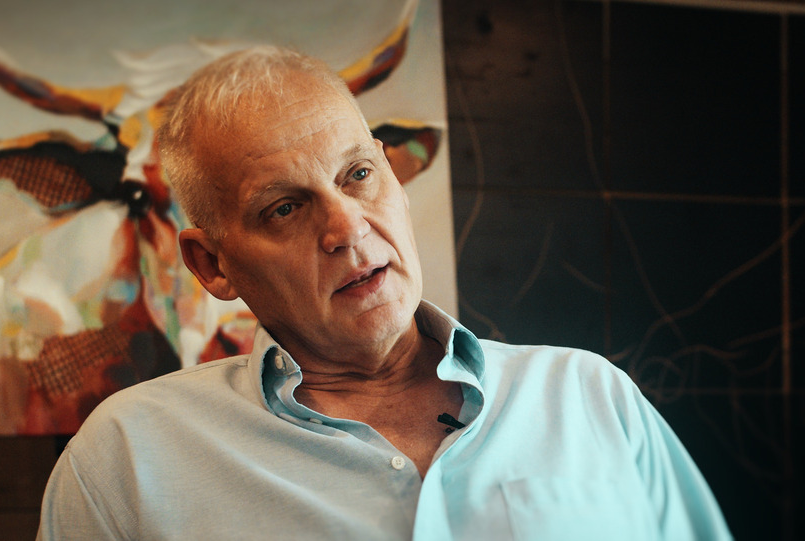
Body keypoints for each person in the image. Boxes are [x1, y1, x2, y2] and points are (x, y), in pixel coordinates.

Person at [37, 46, 733, 540]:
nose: (346, 226)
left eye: (359, 173)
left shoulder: (590, 397)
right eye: (284, 207)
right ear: (212, 264)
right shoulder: (126, 461)